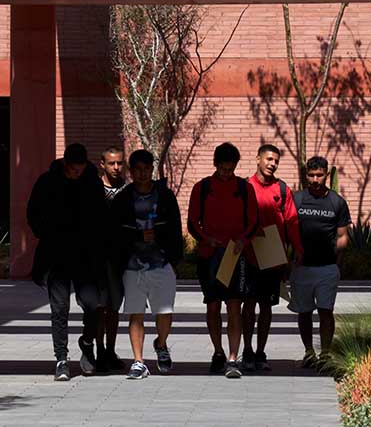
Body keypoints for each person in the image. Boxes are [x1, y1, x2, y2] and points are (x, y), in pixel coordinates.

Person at [26, 142, 110, 381]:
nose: (77, 173)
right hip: (56, 256)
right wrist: (45, 233)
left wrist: (98, 243)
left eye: (80, 168)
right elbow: (32, 212)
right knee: (59, 308)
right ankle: (61, 359)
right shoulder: (47, 182)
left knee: (93, 304)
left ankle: (86, 342)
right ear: (65, 163)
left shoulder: (92, 182)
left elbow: (101, 215)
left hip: (85, 256)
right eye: (73, 168)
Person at [186, 141, 259, 378]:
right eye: (223, 168)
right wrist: (207, 239)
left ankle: (232, 358)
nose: (227, 173)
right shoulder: (203, 187)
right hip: (210, 255)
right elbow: (192, 223)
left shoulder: (245, 189)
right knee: (213, 305)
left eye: (231, 169)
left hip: (234, 256)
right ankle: (218, 351)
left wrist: (242, 241)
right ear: (215, 164)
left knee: (235, 304)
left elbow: (253, 222)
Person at [111, 148, 182, 380]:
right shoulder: (123, 198)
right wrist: (135, 239)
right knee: (135, 312)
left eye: (146, 169)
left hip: (161, 263)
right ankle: (138, 361)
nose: (142, 174)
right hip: (133, 266)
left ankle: (161, 344)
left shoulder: (165, 196)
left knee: (164, 312)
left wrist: (173, 258)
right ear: (131, 172)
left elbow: (174, 229)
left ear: (152, 169)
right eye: (138, 170)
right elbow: (116, 233)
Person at [242, 143, 302, 371]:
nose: (272, 164)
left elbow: (292, 222)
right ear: (258, 159)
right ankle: (246, 350)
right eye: (268, 159)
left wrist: (296, 252)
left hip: (273, 255)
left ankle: (260, 352)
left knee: (266, 306)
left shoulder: (283, 189)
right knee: (248, 305)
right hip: (248, 256)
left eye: (276, 161)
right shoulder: (245, 187)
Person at [289, 155, 351, 366]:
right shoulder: (296, 199)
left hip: (327, 268)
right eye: (311, 175)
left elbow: (342, 236)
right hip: (302, 268)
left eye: (319, 175)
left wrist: (337, 264)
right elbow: (286, 229)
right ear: (306, 175)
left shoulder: (337, 202)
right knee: (304, 312)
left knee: (326, 310)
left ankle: (325, 353)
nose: (315, 179)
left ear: (327, 175)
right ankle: (309, 352)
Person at [96, 145, 128, 370]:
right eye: (111, 163)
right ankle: (98, 351)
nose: (116, 167)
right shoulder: (93, 189)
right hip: (97, 258)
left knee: (114, 307)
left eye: (119, 163)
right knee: (100, 307)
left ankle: (110, 350)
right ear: (103, 165)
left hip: (120, 259)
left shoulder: (128, 190)